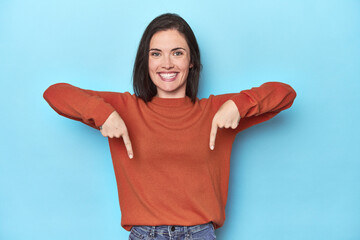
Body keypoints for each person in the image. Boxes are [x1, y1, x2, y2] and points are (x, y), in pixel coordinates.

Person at [43, 13, 296, 240]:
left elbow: (285, 94)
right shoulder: (125, 109)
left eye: (177, 53)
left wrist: (239, 104)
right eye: (156, 54)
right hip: (144, 234)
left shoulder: (216, 112)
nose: (166, 64)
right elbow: (55, 93)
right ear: (147, 61)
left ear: (191, 61)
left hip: (200, 234)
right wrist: (103, 114)